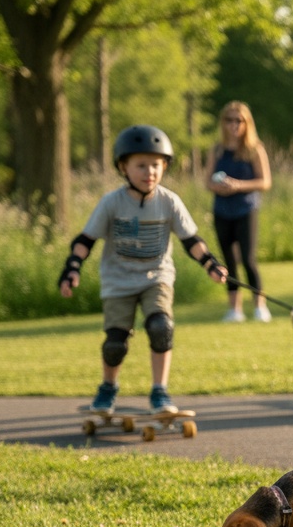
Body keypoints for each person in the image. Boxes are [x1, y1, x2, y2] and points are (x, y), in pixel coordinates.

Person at [58, 125, 227, 415]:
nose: (149, 171)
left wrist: (210, 263)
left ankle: (159, 391)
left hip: (156, 277)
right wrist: (72, 269)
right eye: (141, 165)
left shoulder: (169, 201)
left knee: (161, 328)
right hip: (117, 281)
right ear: (123, 167)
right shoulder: (112, 202)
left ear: (165, 167)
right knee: (115, 344)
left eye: (156, 165)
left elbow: (191, 240)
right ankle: (108, 387)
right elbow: (85, 240)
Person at [205, 101, 273, 323]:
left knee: (248, 259)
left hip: (246, 209)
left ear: (246, 123)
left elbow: (265, 182)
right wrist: (220, 187)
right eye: (229, 120)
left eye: (239, 120)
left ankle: (259, 306)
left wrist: (237, 186)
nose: (234, 125)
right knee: (229, 261)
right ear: (223, 123)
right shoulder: (217, 149)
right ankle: (235, 309)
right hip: (222, 210)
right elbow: (207, 181)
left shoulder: (254, 149)